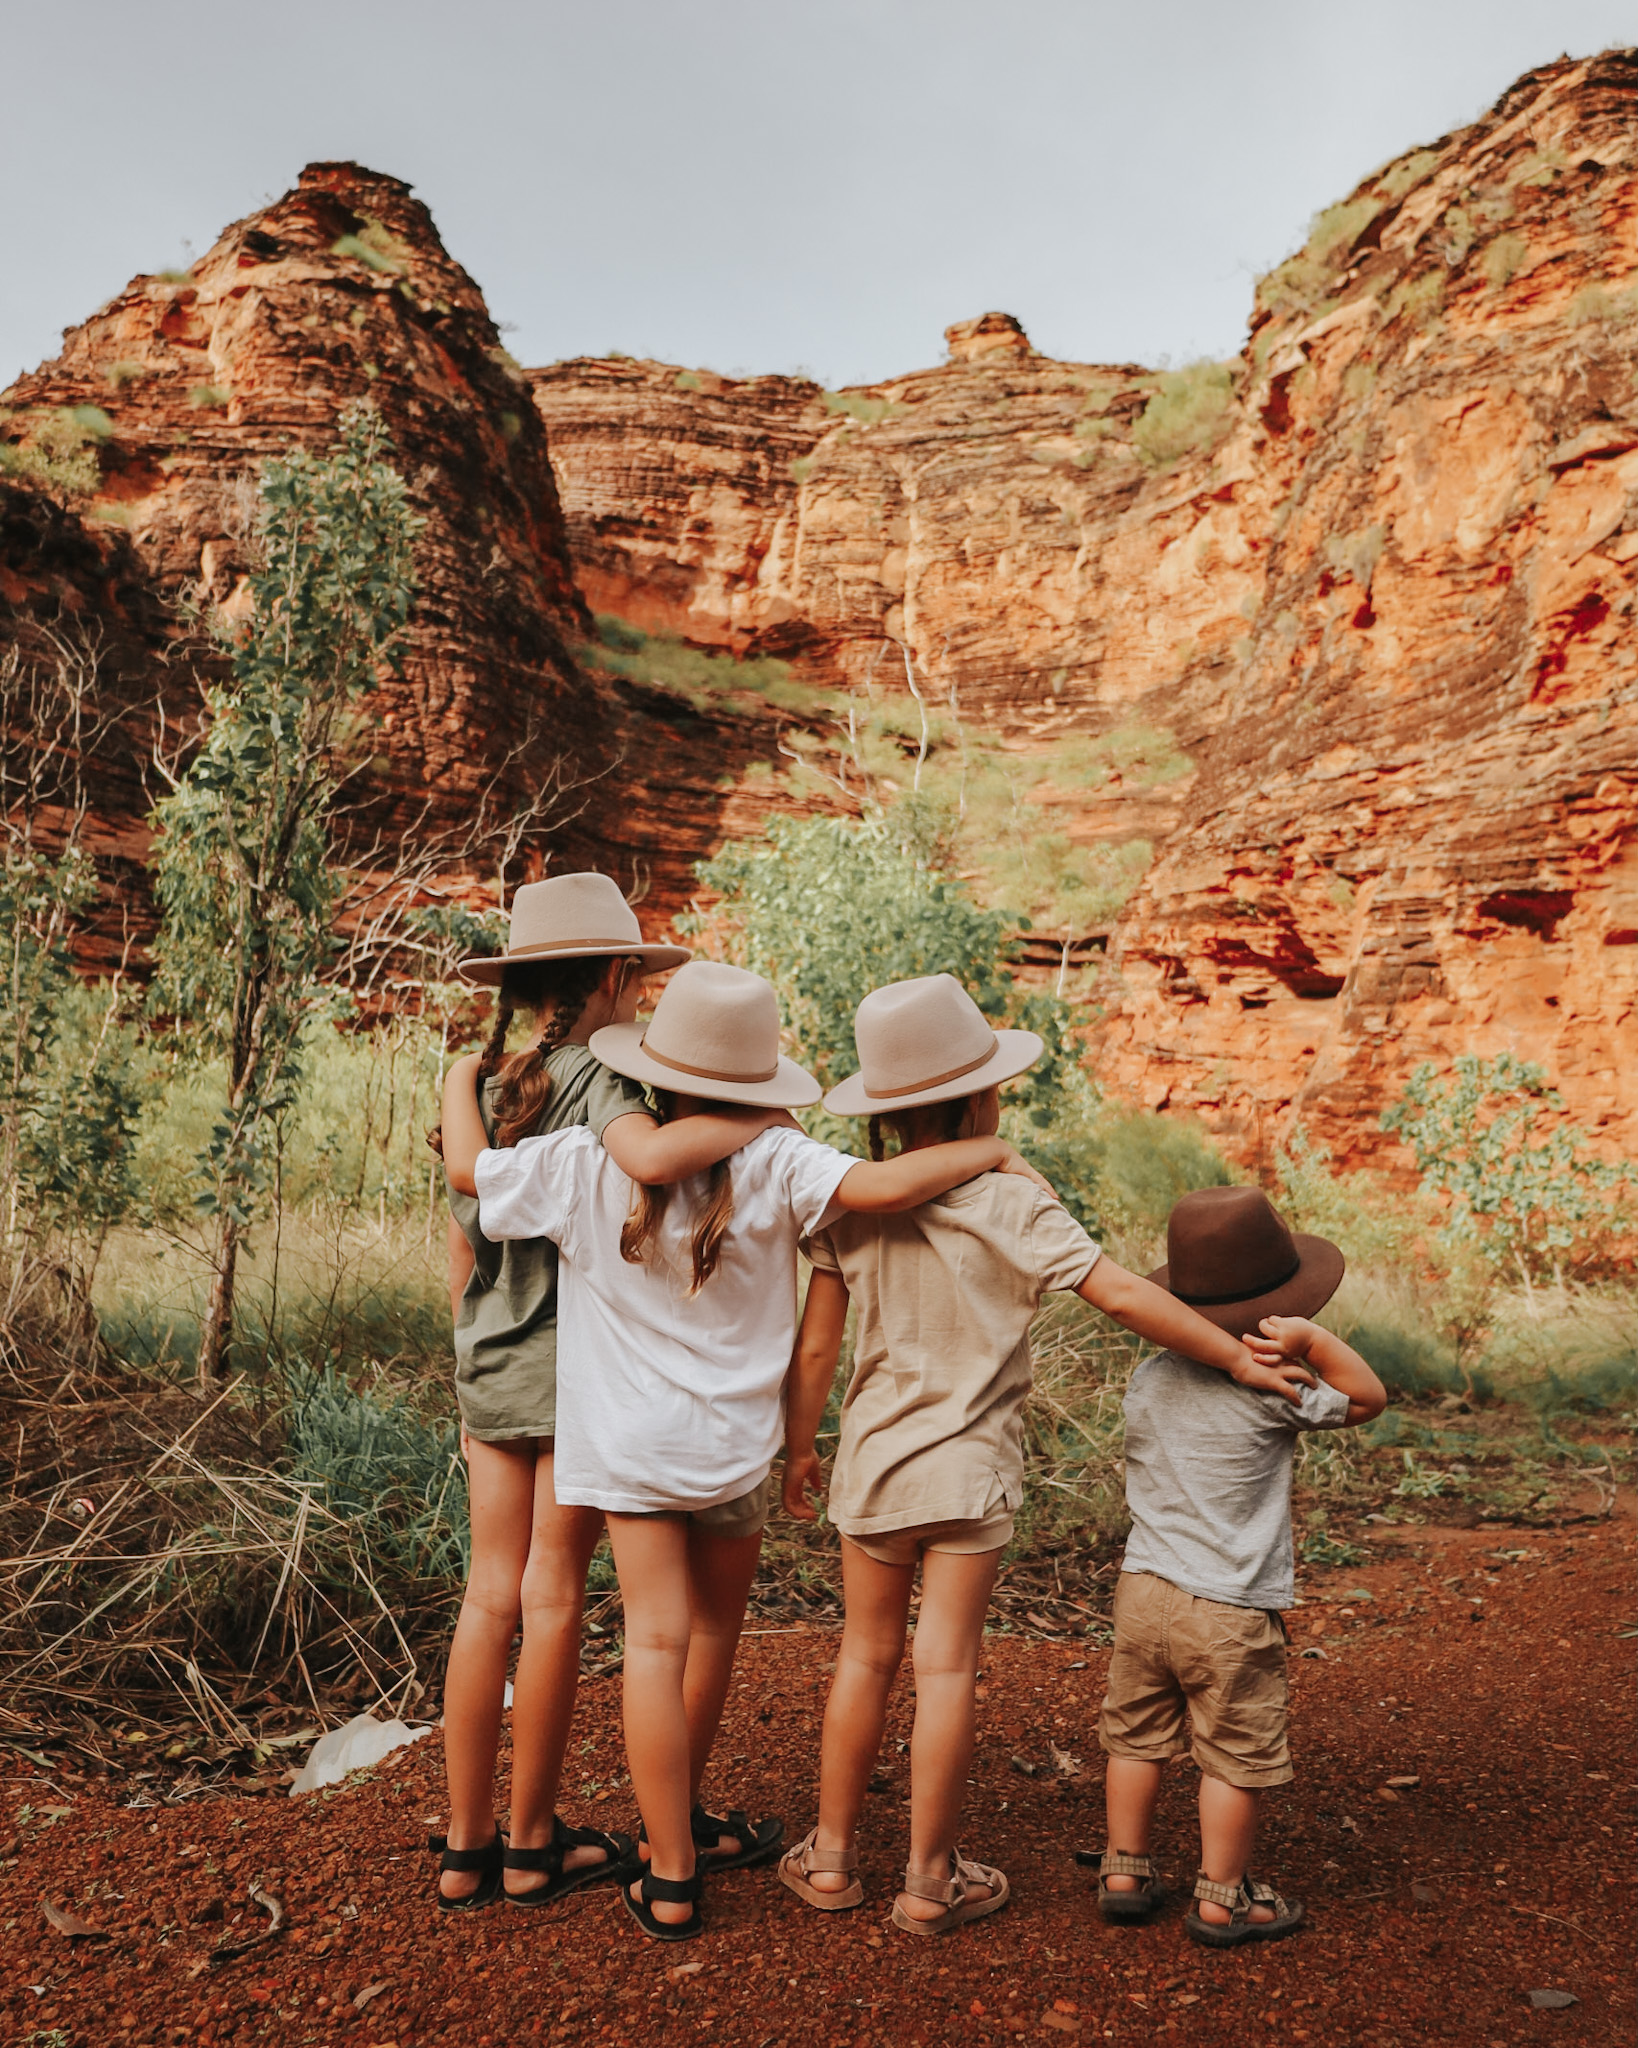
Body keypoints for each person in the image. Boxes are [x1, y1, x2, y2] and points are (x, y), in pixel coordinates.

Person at [444, 959, 1054, 1943]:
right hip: (732, 1450)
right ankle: (675, 1823)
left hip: (628, 1454)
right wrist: (993, 1152)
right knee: (712, 1637)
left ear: (656, 1070)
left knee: (651, 1641)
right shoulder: (786, 1157)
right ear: (760, 1079)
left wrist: (452, 1087)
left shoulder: (579, 1158)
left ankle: (672, 1876)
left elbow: (469, 1173)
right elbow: (892, 1181)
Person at [775, 975, 1319, 1938]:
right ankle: (929, 1881)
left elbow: (816, 1347)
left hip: (875, 1471)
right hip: (971, 1477)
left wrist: (798, 1447)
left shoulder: (844, 1205)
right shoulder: (1015, 1203)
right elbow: (1123, 1297)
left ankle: (827, 1860)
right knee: (945, 1671)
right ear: (983, 1099)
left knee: (863, 1657)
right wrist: (1234, 1352)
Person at [427, 873, 774, 1913]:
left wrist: (469, 1357)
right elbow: (655, 1179)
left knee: (489, 1594)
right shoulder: (610, 1082)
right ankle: (532, 1842)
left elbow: (462, 1232)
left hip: (490, 1356)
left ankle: (464, 1846)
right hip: (576, 1367)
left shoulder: (485, 1082)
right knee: (555, 1596)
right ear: (622, 975)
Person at [1093, 1182, 1386, 1949]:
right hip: (1227, 1606)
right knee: (1233, 1753)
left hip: (1143, 1589)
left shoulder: (1149, 1377)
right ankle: (1222, 1900)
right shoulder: (1277, 1386)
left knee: (1135, 1735)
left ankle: (1124, 1871)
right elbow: (1367, 1399)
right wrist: (1312, 1346)